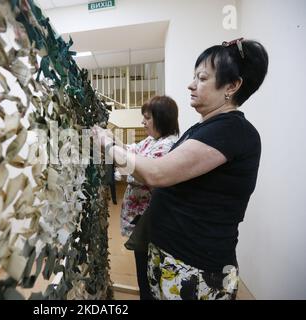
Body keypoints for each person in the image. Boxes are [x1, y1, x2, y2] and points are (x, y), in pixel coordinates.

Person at [94, 38, 269, 300]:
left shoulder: (232, 131)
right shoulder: (204, 129)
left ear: (232, 86)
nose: (191, 84)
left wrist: (108, 146)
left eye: (201, 78)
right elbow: (144, 161)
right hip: (172, 258)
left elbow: (156, 173)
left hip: (196, 268)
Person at [116, 96, 179, 300]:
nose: (143, 122)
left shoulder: (168, 145)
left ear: (161, 119)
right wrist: (108, 140)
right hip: (141, 220)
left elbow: (140, 173)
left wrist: (109, 148)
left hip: (152, 222)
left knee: (149, 272)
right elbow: (129, 151)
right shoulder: (151, 141)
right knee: (142, 266)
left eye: (147, 118)